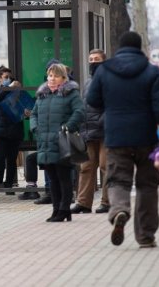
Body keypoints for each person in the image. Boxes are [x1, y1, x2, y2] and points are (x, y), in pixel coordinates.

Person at [86, 31, 159, 248]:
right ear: (139, 46)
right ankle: (145, 236)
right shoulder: (151, 71)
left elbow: (92, 99)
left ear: (119, 47)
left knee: (117, 180)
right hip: (146, 137)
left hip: (116, 136)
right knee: (147, 186)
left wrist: (111, 108)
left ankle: (119, 210)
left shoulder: (105, 70)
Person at [31, 62, 84, 222]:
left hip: (63, 141)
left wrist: (67, 127)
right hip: (45, 142)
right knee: (52, 178)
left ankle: (64, 209)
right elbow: (34, 114)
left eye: (55, 76)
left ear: (63, 78)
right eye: (50, 75)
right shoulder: (42, 95)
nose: (51, 79)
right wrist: (35, 128)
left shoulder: (71, 94)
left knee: (64, 177)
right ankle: (56, 210)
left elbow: (80, 112)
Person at [72, 49, 110, 215]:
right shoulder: (87, 83)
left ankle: (107, 202)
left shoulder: (109, 80)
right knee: (86, 167)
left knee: (105, 166)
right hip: (88, 130)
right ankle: (83, 203)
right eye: (91, 59)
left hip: (105, 131)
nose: (93, 62)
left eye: (96, 59)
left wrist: (103, 121)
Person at [0, 67, 25, 195]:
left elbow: (24, 105)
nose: (8, 80)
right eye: (5, 77)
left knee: (12, 160)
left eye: (10, 78)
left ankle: (9, 184)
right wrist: (9, 88)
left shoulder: (16, 91)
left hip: (15, 129)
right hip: (0, 130)